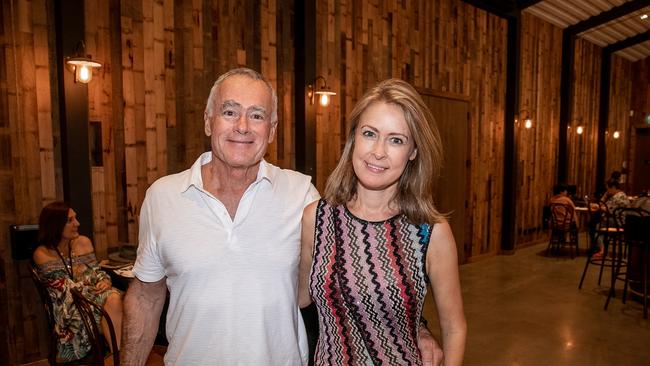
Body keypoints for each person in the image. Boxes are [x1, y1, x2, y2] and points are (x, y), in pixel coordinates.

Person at [298, 79, 466, 365]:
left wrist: (421, 329)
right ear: (354, 138)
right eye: (369, 133)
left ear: (413, 152)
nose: (378, 151)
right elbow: (301, 299)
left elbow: (454, 328)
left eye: (396, 140)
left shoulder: (429, 232)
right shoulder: (316, 218)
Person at [33, 201, 123, 362]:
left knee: (117, 299)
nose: (77, 223)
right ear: (55, 225)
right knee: (116, 304)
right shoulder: (42, 253)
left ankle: (118, 357)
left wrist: (104, 281)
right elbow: (66, 290)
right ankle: (119, 357)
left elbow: (96, 272)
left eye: (76, 218)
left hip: (90, 299)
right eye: (70, 220)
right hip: (69, 309)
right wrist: (89, 281)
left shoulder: (83, 242)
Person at [592, 178, 630, 257]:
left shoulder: (618, 197)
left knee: (596, 226)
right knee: (597, 224)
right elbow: (606, 207)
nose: (607, 191)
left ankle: (601, 250)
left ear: (613, 187)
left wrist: (599, 207)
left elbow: (609, 210)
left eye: (608, 189)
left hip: (618, 222)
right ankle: (602, 249)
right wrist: (603, 201)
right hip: (618, 221)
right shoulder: (619, 195)